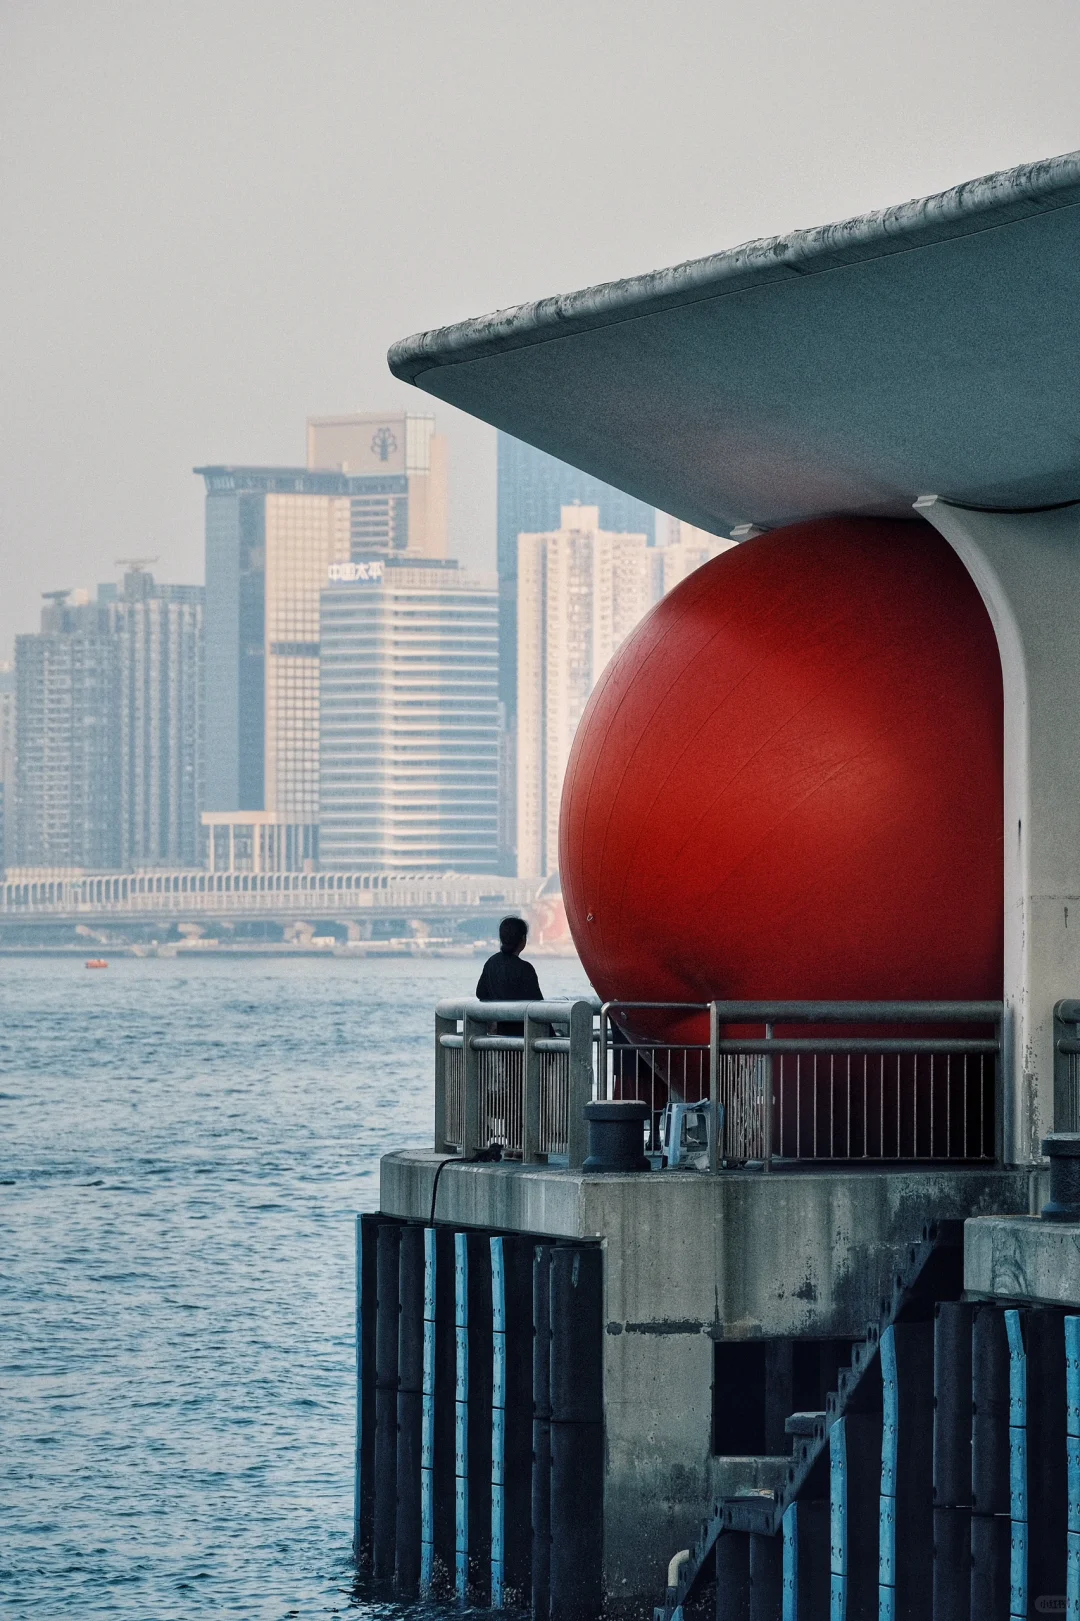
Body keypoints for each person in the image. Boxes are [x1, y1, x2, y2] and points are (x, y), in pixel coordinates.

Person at [476, 915, 542, 1033]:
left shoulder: (491, 963)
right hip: (521, 1037)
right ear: (523, 940)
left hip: (498, 1035)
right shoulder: (525, 968)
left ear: (502, 939)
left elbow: (480, 993)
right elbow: (537, 1007)